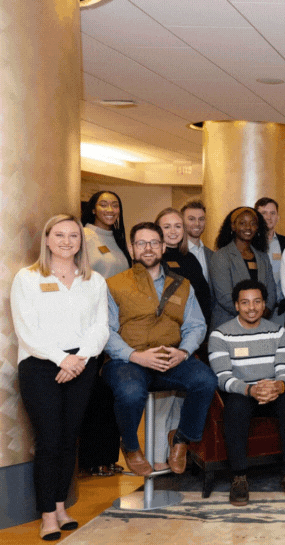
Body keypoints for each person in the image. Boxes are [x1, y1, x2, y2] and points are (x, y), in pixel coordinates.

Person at [11, 214, 109, 541]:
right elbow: (27, 330)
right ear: (47, 239)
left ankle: (61, 505)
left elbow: (100, 328)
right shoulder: (27, 279)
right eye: (59, 235)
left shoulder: (93, 280)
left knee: (70, 441)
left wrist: (78, 359)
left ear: (81, 242)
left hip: (81, 365)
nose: (66, 241)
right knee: (50, 441)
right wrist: (61, 359)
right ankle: (48, 516)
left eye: (73, 236)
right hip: (40, 366)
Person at [102, 222, 217, 478]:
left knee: (205, 380)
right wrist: (135, 355)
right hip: (127, 360)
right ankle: (131, 446)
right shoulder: (113, 284)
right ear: (132, 249)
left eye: (154, 242)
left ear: (163, 247)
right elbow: (106, 331)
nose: (148, 248)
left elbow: (197, 325)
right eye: (141, 243)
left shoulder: (182, 284)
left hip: (171, 357)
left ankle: (181, 439)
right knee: (131, 392)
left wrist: (184, 352)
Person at [208, 279, 285, 506]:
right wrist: (250, 390)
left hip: (272, 391)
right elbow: (223, 378)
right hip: (242, 392)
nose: (252, 307)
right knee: (236, 406)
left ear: (264, 304)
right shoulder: (220, 335)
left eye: (257, 301)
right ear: (236, 305)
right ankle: (239, 477)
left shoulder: (278, 332)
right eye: (245, 302)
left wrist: (277, 387)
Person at [153, 207, 212, 471]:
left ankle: (178, 447)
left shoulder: (191, 261)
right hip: (159, 343)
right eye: (167, 227)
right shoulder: (152, 260)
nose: (174, 231)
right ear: (157, 230)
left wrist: (199, 340)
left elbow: (204, 301)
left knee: (183, 401)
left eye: (178, 226)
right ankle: (157, 460)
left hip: (190, 341)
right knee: (161, 405)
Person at [78, 190, 130, 478]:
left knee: (111, 392)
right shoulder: (84, 236)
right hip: (93, 324)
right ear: (93, 208)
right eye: (104, 204)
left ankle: (108, 456)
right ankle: (91, 458)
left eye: (115, 204)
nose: (110, 209)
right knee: (94, 394)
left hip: (117, 325)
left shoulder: (117, 239)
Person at [209, 207, 279, 327]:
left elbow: (271, 293)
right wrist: (252, 316)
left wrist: (261, 315)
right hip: (228, 325)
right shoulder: (221, 256)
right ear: (233, 226)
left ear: (257, 228)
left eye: (252, 224)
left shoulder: (263, 257)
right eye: (242, 223)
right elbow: (224, 297)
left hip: (261, 324)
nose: (248, 227)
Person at [255, 197, 285, 319]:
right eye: (263, 213)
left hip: (281, 310)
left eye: (273, 213)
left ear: (278, 217)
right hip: (254, 309)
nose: (268, 217)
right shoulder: (248, 244)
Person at [181, 200, 213, 283]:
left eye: (201, 219)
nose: (197, 224)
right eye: (191, 219)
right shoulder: (175, 252)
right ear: (182, 221)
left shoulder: (211, 255)